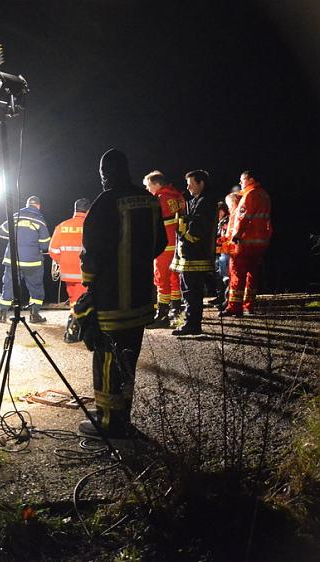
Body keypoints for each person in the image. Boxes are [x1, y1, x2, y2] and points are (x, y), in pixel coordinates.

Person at [78, 148, 166, 438]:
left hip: (112, 300)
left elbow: (93, 253)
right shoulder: (150, 201)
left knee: (106, 359)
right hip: (141, 298)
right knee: (128, 357)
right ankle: (123, 416)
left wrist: (90, 286)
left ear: (105, 174)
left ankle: (107, 421)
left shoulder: (105, 203)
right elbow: (159, 243)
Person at [170, 169, 218, 336]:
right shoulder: (199, 200)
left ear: (201, 183)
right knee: (189, 291)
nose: (188, 188)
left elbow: (197, 231)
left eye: (191, 184)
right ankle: (190, 322)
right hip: (192, 255)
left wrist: (182, 230)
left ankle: (192, 324)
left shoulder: (205, 202)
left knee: (192, 292)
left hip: (195, 256)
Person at [221, 170, 272, 317]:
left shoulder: (250, 195)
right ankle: (248, 306)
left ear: (250, 180)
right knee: (252, 275)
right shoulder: (265, 195)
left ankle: (234, 307)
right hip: (260, 243)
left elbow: (243, 218)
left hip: (245, 241)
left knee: (237, 273)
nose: (240, 183)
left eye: (242, 180)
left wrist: (236, 235)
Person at [0, 195, 52, 324]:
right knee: (35, 287)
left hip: (12, 261)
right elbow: (45, 245)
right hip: (33, 262)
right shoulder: (40, 221)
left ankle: (3, 314)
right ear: (38, 206)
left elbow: (0, 231)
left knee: (9, 286)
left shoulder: (15, 216)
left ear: (27, 205)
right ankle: (34, 314)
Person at [143, 171, 186, 328]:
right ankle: (176, 312)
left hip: (164, 245)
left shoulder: (160, 199)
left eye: (148, 186)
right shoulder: (177, 197)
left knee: (161, 279)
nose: (148, 190)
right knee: (175, 279)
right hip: (178, 244)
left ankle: (162, 315)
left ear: (156, 184)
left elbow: (151, 223)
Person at [49, 198, 89, 342]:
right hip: (86, 273)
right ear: (88, 210)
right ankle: (73, 333)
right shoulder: (91, 226)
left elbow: (53, 250)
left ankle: (76, 331)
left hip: (68, 274)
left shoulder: (62, 226)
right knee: (84, 303)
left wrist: (64, 261)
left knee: (74, 301)